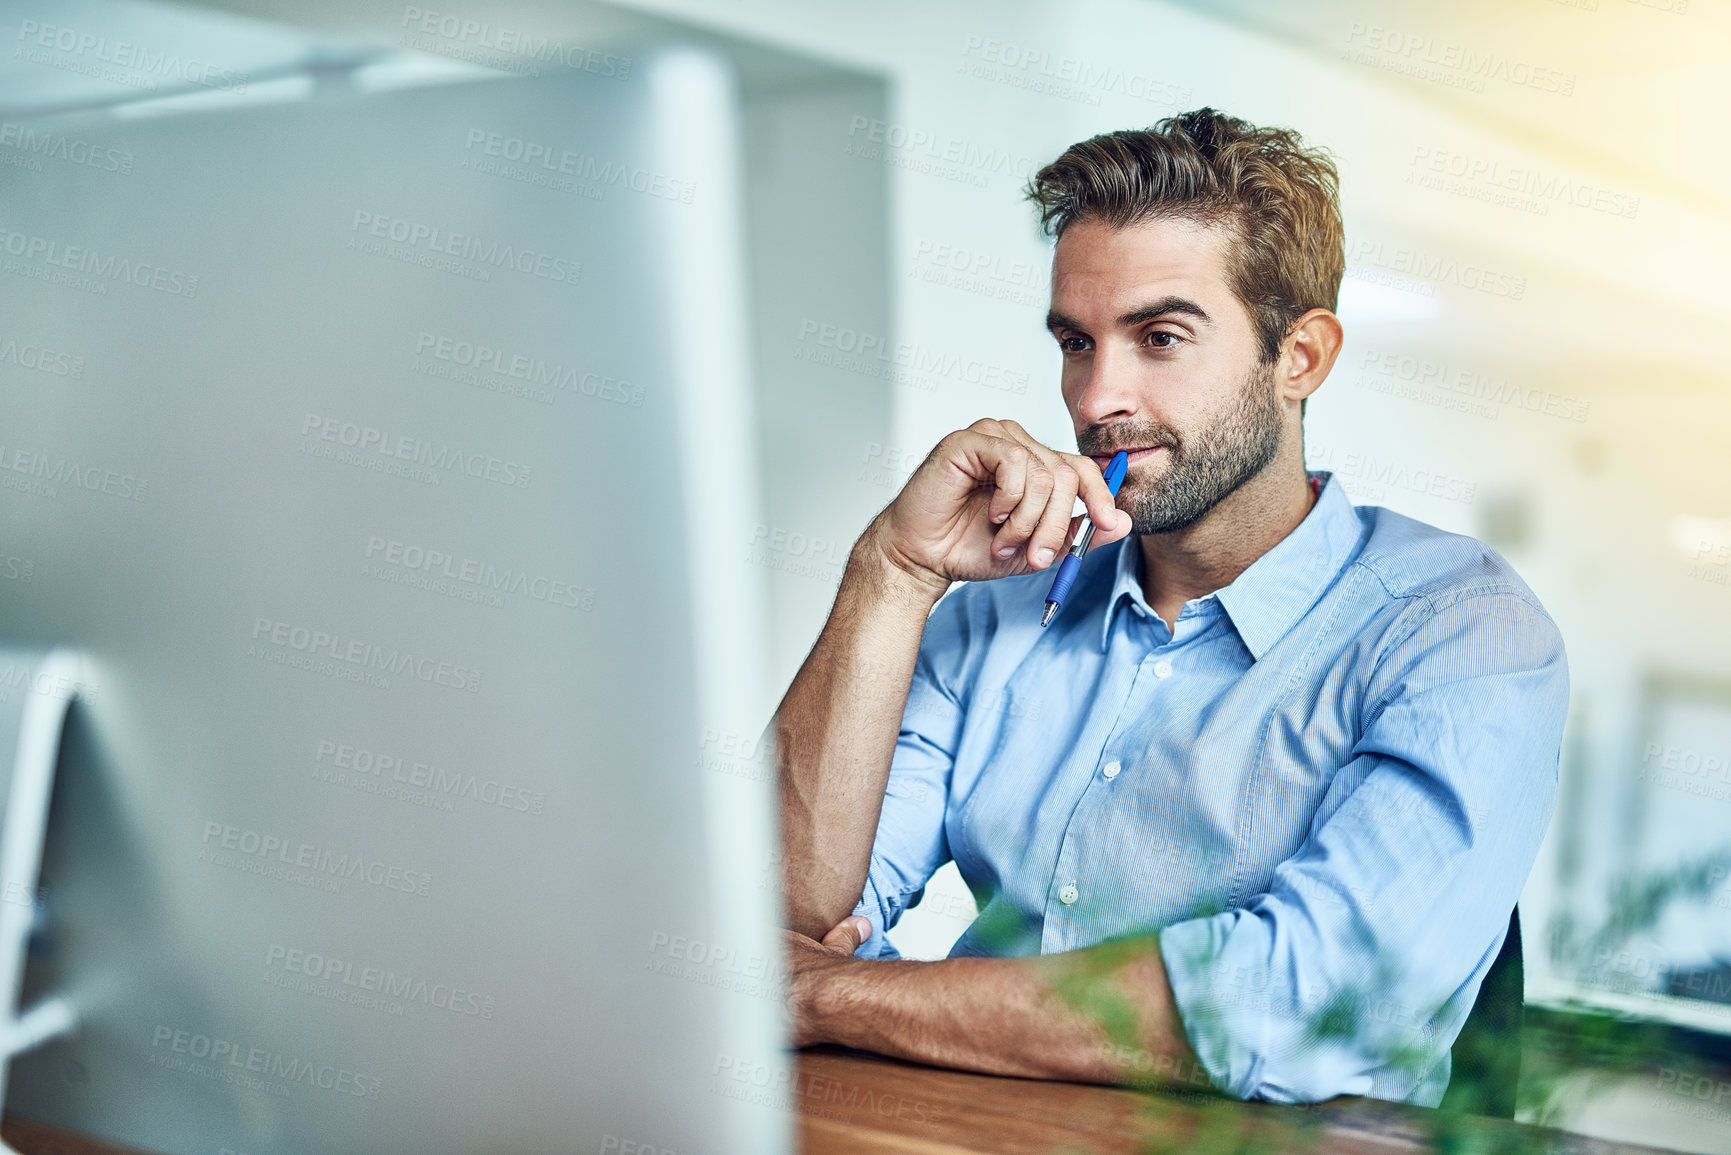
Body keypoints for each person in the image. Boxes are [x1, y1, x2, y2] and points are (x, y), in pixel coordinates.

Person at [769, 108, 1568, 1106]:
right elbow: (767, 922)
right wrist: (893, 570)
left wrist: (839, 994)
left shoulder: (1460, 633)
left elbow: (1286, 1005)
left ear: (1302, 358)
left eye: (1160, 338)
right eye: (1076, 341)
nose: (1099, 396)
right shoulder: (1003, 603)